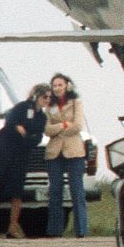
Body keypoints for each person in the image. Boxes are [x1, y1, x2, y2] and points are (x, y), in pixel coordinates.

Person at [0, 82, 51, 239]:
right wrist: (22, 132)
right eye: (45, 96)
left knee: (17, 191)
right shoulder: (22, 107)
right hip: (3, 149)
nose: (47, 100)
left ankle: (13, 226)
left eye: (50, 97)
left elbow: (37, 138)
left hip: (20, 155)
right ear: (37, 96)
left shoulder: (42, 117)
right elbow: (10, 123)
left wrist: (25, 134)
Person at [43, 72, 88, 238]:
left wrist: (59, 128)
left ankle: (81, 230)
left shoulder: (76, 102)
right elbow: (47, 130)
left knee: (77, 191)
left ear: (67, 85)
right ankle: (55, 230)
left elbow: (77, 126)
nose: (57, 88)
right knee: (55, 191)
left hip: (74, 150)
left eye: (60, 85)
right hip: (54, 152)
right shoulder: (49, 106)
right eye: (54, 86)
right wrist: (62, 125)